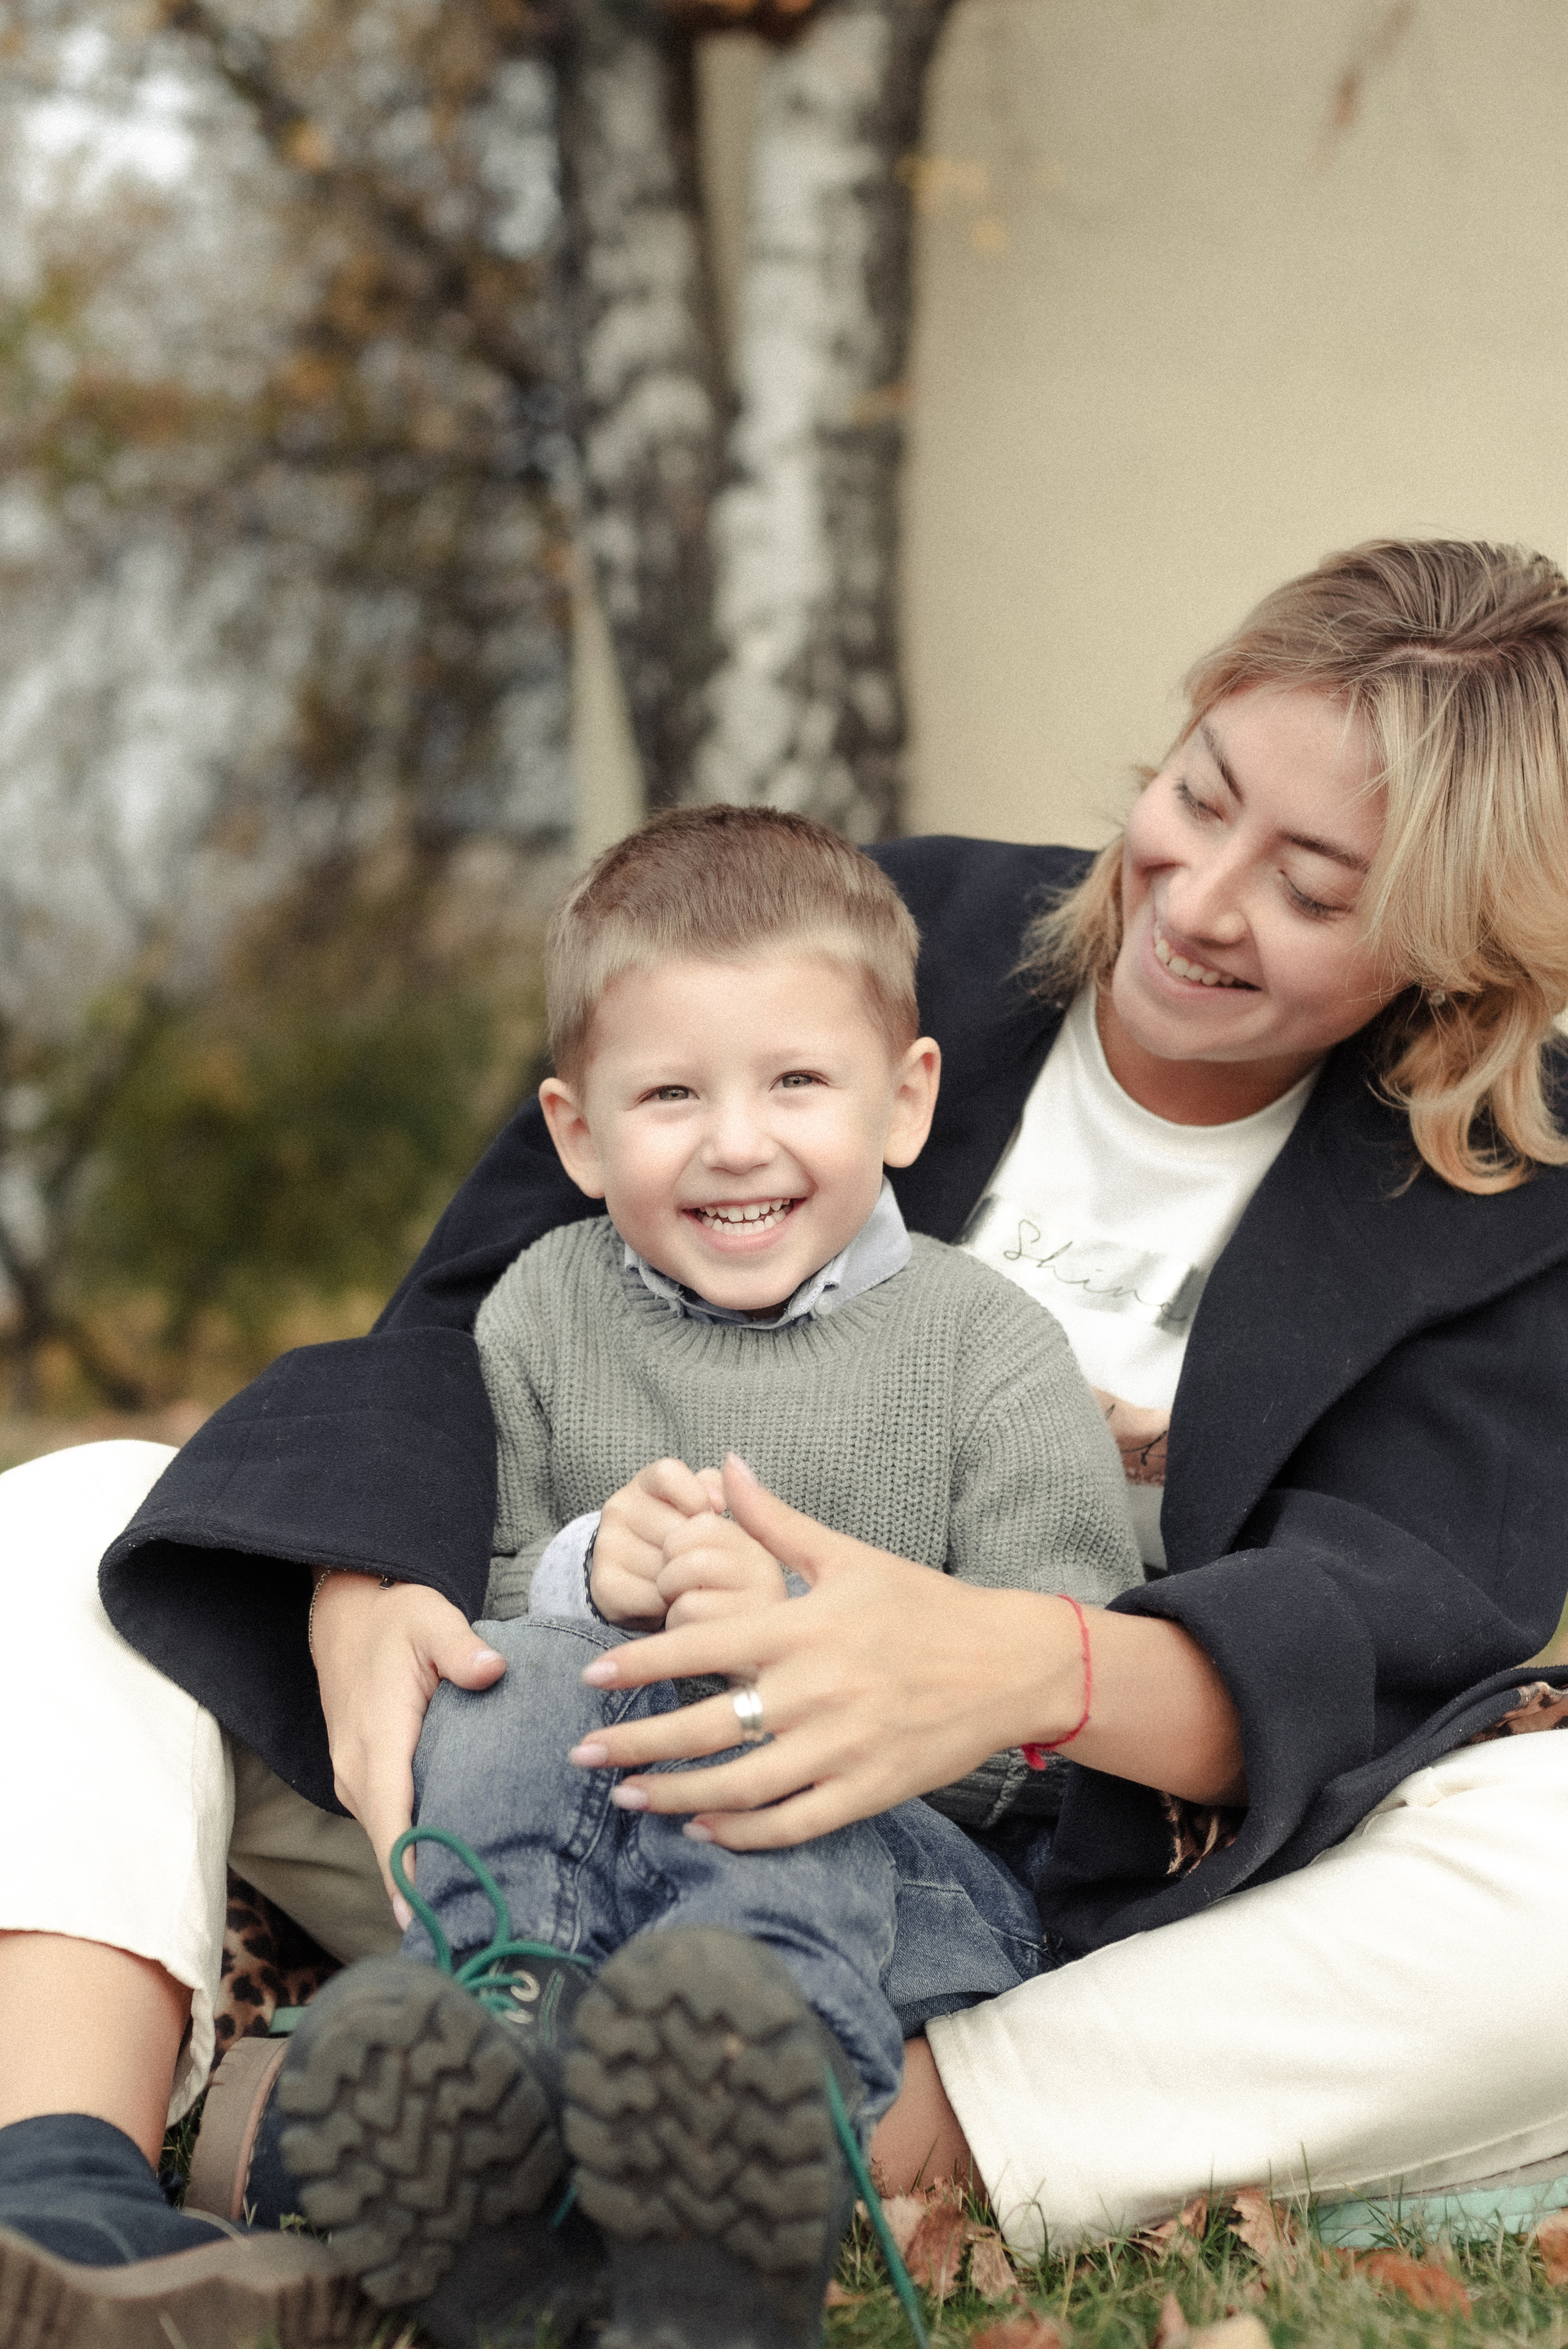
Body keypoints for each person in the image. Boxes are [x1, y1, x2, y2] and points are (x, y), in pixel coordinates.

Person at [2, 538, 1566, 2345]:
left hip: (989, 1905)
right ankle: (70, 2190)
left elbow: (1387, 1624)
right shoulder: (887, 933)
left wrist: (1007, 1665)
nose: (1199, 898)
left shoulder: (1504, 1183)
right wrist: (368, 1574)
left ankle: (704, 2139)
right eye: (1198, 794)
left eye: (1313, 885)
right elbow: (464, 1318)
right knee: (78, 1515)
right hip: (529, 1806)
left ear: (1456, 938)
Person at [268, 804, 1139, 2334]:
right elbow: (456, 1617)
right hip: (582, 1881)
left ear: (904, 1099)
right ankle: (503, 2057)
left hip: (896, 1886)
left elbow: (1052, 1737)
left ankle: (746, 2124)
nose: (736, 1141)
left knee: (750, 1726)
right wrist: (589, 1572)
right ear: (578, 1134)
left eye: (797, 1082)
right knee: (507, 1667)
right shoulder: (536, 1312)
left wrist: (809, 1652)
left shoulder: (991, 1349)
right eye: (669, 1094)